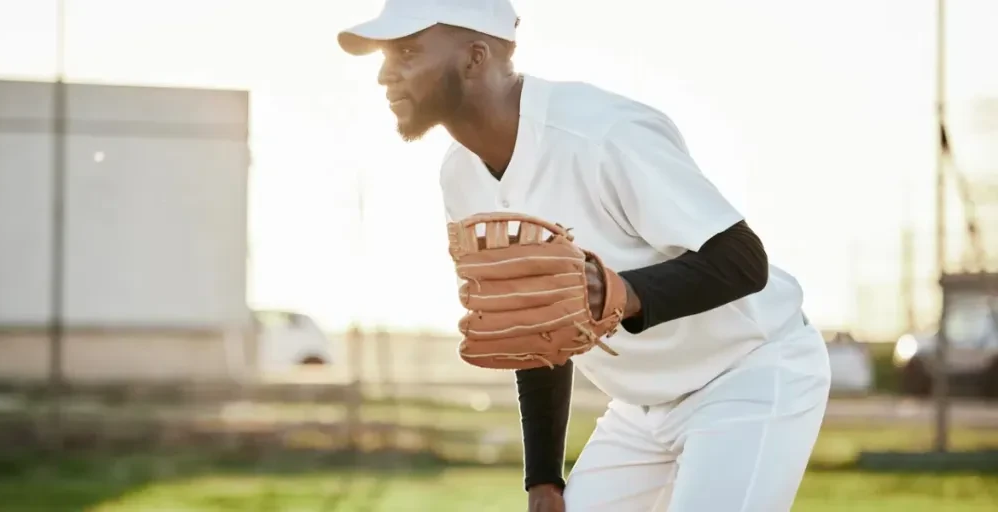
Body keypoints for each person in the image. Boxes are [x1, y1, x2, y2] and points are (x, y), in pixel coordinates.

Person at [337, 1, 832, 510]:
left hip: (747, 370)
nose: (384, 75)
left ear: (475, 57)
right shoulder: (460, 175)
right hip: (641, 407)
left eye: (409, 51)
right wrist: (544, 477)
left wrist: (621, 292)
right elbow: (531, 326)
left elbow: (744, 259)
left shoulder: (602, 134)